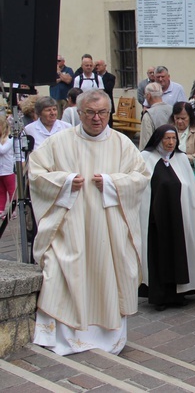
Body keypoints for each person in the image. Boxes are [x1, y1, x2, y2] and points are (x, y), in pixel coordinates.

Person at [29, 89, 150, 355]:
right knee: (63, 272)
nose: (97, 119)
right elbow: (36, 174)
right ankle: (65, 336)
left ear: (110, 113)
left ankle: (108, 338)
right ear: (79, 113)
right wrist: (64, 182)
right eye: (90, 113)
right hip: (70, 228)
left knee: (110, 275)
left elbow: (141, 177)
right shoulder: (59, 142)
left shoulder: (122, 144)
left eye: (103, 113)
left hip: (109, 231)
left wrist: (110, 182)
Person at [139, 125, 195, 311]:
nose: (170, 143)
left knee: (179, 253)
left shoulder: (182, 159)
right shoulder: (146, 158)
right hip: (156, 220)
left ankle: (178, 294)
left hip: (179, 218)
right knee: (159, 256)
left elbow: (190, 188)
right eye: (166, 139)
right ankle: (159, 296)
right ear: (158, 140)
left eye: (173, 139)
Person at [171, 102, 195, 217]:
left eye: (183, 118)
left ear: (190, 117)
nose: (179, 121)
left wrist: (184, 158)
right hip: (176, 177)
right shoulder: (170, 131)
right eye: (176, 118)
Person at [139, 82, 173, 150]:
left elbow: (145, 142)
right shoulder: (173, 109)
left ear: (148, 96)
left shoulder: (148, 115)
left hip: (156, 155)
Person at [0, 118, 16, 221]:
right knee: (1, 191)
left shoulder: (10, 138)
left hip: (8, 169)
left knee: (11, 191)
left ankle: (13, 210)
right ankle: (1, 210)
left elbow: (2, 150)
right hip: (0, 171)